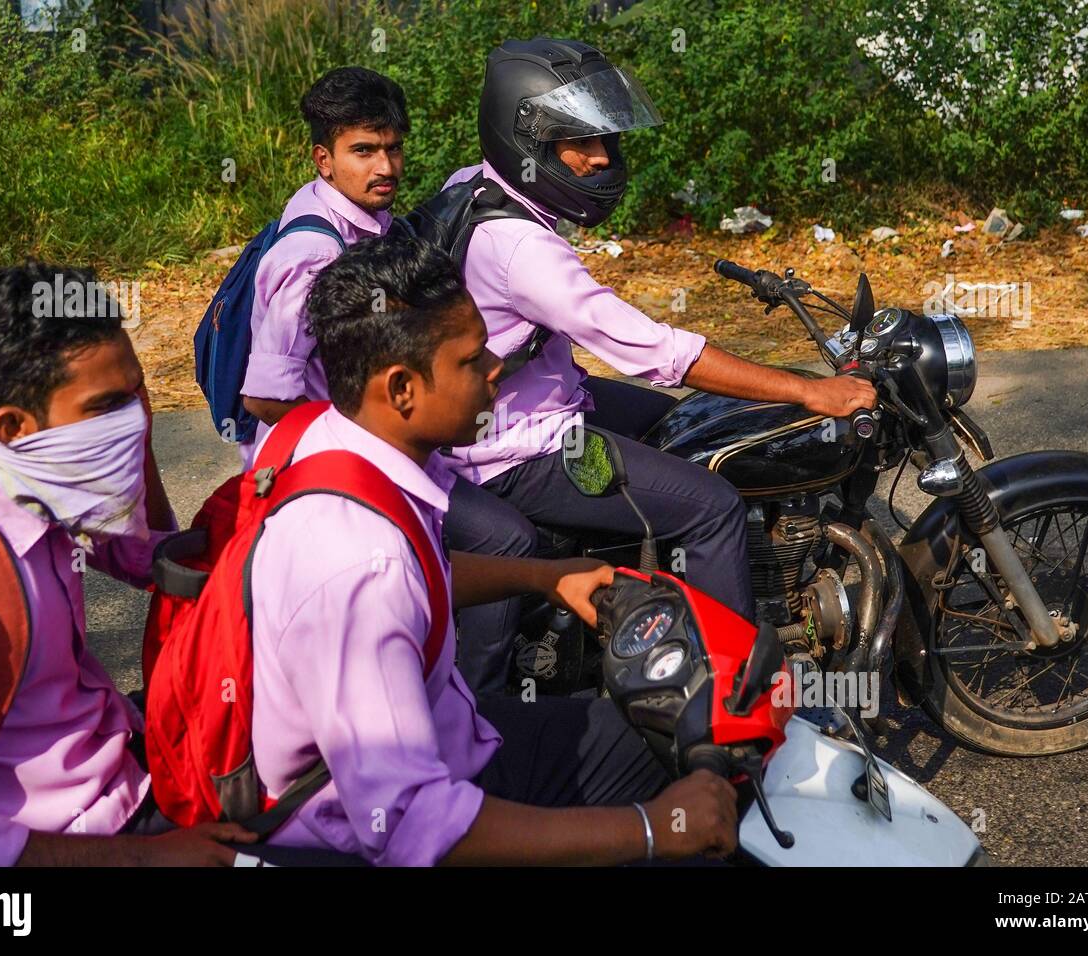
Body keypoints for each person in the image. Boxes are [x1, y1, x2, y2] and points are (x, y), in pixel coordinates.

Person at [246, 233, 740, 865]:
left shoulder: (333, 444)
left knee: (646, 738)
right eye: (472, 361)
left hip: (448, 728)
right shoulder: (357, 565)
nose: (496, 371)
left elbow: (421, 574)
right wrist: (654, 829)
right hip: (374, 823)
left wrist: (544, 577)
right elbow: (413, 828)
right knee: (683, 803)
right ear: (401, 389)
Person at [439, 37, 878, 694]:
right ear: (525, 139)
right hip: (511, 450)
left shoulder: (474, 188)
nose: (600, 159)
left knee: (696, 431)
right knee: (713, 505)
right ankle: (731, 701)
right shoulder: (521, 248)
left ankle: (656, 611)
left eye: (606, 142)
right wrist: (809, 390)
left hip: (527, 407)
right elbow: (652, 351)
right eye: (578, 144)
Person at [0, 262, 255, 866]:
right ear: (14, 427)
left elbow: (141, 553)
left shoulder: (22, 469)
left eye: (137, 395)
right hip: (76, 835)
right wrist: (151, 858)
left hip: (120, 757)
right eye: (108, 407)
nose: (132, 420)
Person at [237, 66, 409, 467]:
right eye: (363, 151)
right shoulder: (315, 256)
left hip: (346, 442)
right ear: (324, 159)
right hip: (316, 467)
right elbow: (264, 396)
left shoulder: (327, 201)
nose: (385, 167)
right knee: (499, 532)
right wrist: (356, 450)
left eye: (394, 148)